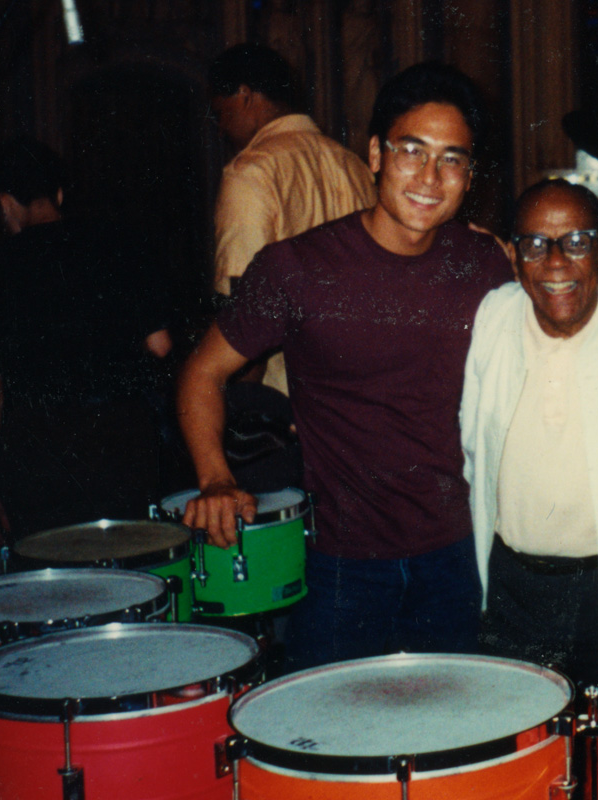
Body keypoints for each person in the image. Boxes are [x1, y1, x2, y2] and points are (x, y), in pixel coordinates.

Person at [177, 63, 509, 670]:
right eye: (412, 151)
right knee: (333, 744)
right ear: (377, 153)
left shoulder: (484, 262)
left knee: (454, 739)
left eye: (452, 159)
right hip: (340, 564)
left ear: (469, 175)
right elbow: (202, 372)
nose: (430, 178)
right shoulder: (295, 268)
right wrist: (216, 478)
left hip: (460, 554)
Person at [461, 180, 598, 687]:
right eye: (534, 244)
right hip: (512, 585)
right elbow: (471, 446)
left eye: (575, 242)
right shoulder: (494, 316)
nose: (555, 262)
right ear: (512, 256)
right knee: (522, 735)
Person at [0, 136, 172, 543]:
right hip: (123, 438)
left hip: (41, 451)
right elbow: (161, 346)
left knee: (57, 579)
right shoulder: (121, 242)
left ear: (4, 201)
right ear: (60, 193)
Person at [209, 43, 377, 395]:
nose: (221, 129)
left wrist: (239, 410)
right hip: (359, 388)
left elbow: (242, 308)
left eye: (222, 113)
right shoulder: (355, 166)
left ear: (244, 96)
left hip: (285, 398)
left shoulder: (250, 173)